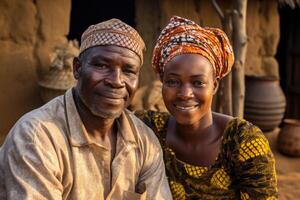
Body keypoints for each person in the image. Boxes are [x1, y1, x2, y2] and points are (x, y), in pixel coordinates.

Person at [0, 19, 172, 200]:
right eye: (102, 65)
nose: (116, 81)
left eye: (129, 71)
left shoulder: (144, 141)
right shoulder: (37, 136)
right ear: (77, 68)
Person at [136, 16, 278, 199]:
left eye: (198, 82)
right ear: (161, 82)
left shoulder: (242, 141)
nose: (185, 93)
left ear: (215, 85)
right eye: (172, 81)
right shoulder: (148, 129)